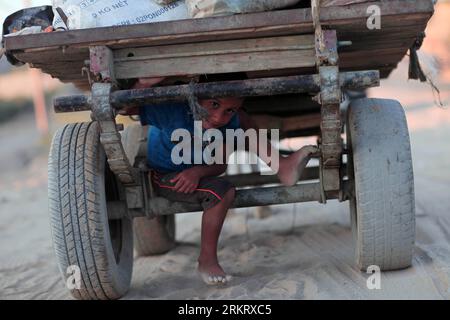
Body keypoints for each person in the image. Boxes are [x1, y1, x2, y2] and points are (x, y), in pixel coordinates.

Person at [126, 75, 318, 285]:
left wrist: (198, 172)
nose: (219, 117)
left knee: (224, 190)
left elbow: (220, 165)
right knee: (221, 187)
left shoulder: (230, 123)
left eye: (229, 110)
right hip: (165, 175)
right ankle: (208, 260)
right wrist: (143, 84)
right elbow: (128, 108)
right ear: (195, 98)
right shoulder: (173, 109)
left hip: (196, 175)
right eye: (214, 104)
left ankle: (207, 259)